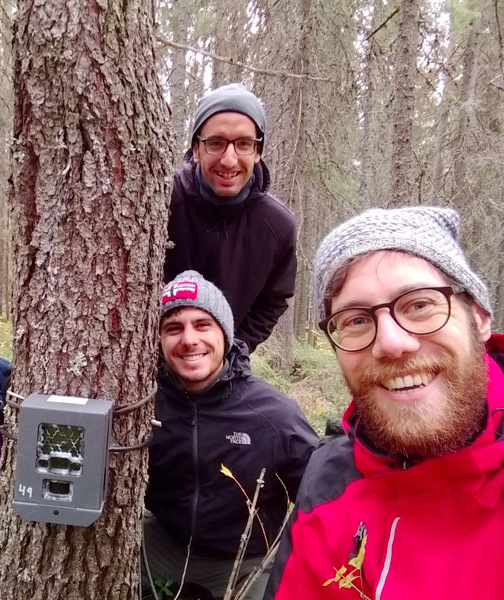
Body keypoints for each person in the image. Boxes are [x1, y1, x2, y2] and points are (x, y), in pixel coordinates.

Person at [265, 207, 504, 599]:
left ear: (478, 317)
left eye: (419, 304)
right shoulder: (328, 482)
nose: (391, 343)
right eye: (356, 319)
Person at [144, 270, 318, 600]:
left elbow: (317, 498)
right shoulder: (144, 404)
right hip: (166, 543)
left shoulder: (273, 415)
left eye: (202, 325)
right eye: (173, 328)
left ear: (225, 334)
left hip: (246, 559)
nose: (189, 339)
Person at [164, 84, 297, 353]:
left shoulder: (277, 225)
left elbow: (274, 300)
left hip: (225, 370)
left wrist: (235, 348)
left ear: (257, 151)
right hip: (149, 363)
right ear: (195, 149)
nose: (229, 159)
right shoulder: (163, 202)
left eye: (243, 144)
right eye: (216, 143)